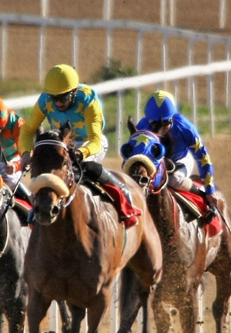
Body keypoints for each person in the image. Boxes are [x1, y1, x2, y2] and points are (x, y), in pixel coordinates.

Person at [18, 63, 140, 227]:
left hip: (88, 143)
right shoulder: (45, 100)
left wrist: (82, 153)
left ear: (75, 92)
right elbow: (28, 130)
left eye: (63, 98)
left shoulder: (88, 100)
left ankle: (123, 195)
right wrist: (26, 153)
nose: (58, 104)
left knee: (83, 167)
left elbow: (96, 140)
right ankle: (37, 210)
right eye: (55, 98)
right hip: (62, 143)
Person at [135, 90, 219, 210]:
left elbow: (203, 157)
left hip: (180, 159)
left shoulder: (185, 128)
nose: (161, 129)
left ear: (172, 118)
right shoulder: (142, 127)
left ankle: (204, 200)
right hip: (153, 164)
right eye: (155, 124)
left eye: (165, 123)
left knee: (174, 180)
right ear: (149, 120)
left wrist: (209, 189)